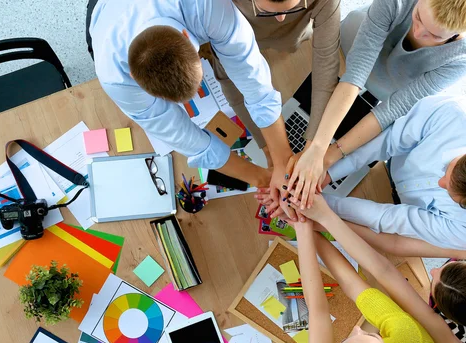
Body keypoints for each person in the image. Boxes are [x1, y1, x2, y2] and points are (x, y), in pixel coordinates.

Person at [86, 0, 297, 219]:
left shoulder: (205, 5)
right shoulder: (114, 78)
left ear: (188, 38)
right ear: (134, 78)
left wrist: (282, 162)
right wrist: (262, 180)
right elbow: (191, 142)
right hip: (104, 12)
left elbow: (255, 83)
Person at [290, 204, 465, 343]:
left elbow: (318, 312)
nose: (357, 330)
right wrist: (307, 230)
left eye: (347, 342)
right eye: (370, 336)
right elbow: (327, 306)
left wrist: (304, 231)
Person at [284, 0, 466, 210]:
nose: (417, 33)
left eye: (434, 36)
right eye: (417, 17)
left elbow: (391, 110)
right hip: (355, 42)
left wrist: (327, 158)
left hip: (397, 82)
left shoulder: (459, 59)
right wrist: (316, 148)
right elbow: (355, 75)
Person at [209, 0, 341, 202]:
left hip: (292, 43)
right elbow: (231, 82)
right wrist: (267, 149)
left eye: (296, 5)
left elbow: (326, 71)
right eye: (265, 11)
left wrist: (312, 148)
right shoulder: (215, 10)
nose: (281, 18)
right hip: (239, 42)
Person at [321, 95, 466, 256]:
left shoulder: (463, 230)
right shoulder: (448, 117)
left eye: (452, 195)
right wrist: (328, 173)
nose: (440, 182)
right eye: (447, 169)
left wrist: (323, 204)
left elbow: (391, 218)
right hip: (386, 163)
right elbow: (387, 141)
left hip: (395, 206)